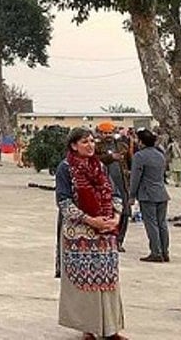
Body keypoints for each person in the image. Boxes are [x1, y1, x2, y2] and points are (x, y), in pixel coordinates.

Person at [55, 127, 125, 340]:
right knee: (86, 283)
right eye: (85, 142)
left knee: (108, 280)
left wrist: (116, 217)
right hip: (80, 235)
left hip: (105, 233)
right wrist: (89, 220)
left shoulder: (101, 167)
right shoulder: (66, 168)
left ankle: (111, 329)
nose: (90, 145)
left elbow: (115, 194)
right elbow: (64, 201)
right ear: (74, 145)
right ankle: (89, 328)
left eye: (92, 141)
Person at [129, 128, 171, 263]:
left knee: (151, 223)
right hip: (161, 193)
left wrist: (132, 195)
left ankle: (156, 252)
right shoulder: (160, 154)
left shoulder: (139, 156)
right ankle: (165, 252)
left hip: (147, 194)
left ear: (141, 142)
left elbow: (135, 177)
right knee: (162, 224)